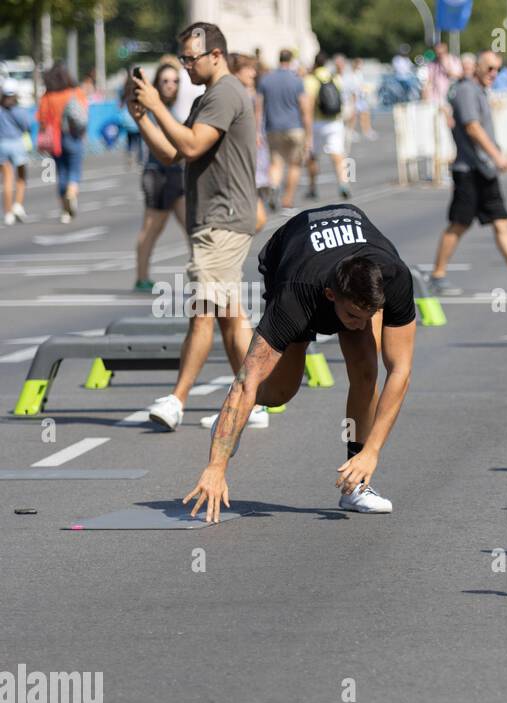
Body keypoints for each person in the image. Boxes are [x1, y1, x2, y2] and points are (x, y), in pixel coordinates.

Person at [182, 204, 417, 522]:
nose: (361, 325)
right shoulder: (294, 296)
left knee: (366, 367)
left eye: (368, 316)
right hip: (291, 253)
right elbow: (246, 380)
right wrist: (216, 466)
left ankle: (356, 487)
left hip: (348, 244)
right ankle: (227, 424)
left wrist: (371, 451)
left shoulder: (395, 277)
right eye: (352, 315)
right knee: (279, 392)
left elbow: (400, 371)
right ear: (333, 296)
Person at [130, 21, 263, 433]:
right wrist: (143, 119)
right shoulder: (210, 96)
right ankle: (253, 401)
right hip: (217, 218)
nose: (186, 64)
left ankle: (177, 399)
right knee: (228, 316)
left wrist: (156, 105)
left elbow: (190, 145)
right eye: (184, 57)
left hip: (222, 219)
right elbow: (173, 153)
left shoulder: (223, 94)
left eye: (191, 57)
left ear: (216, 55)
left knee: (202, 311)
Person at [426, 50, 507, 296]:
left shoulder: (478, 90)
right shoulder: (466, 91)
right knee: (459, 224)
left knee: (502, 220)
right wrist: (497, 156)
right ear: (477, 68)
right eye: (490, 68)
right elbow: (472, 127)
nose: (494, 74)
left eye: (497, 69)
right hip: (470, 170)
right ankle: (437, 275)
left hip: (484, 170)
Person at [133, 60, 187, 291]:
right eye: (165, 81)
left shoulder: (176, 108)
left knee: (193, 227)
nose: (170, 86)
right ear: (156, 84)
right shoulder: (153, 109)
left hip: (177, 173)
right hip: (157, 174)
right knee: (152, 228)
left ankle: (202, 278)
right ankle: (142, 277)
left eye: (175, 81)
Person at [36, 62, 88, 223]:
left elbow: (42, 119)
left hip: (55, 140)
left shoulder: (47, 96)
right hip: (73, 136)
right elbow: (84, 114)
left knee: (61, 173)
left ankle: (64, 211)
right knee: (74, 170)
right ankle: (71, 194)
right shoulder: (75, 92)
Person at [258, 49, 308, 210]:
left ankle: (273, 186)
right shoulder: (296, 80)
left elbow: (259, 108)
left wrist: (258, 131)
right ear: (291, 60)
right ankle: (288, 199)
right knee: (294, 164)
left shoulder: (266, 80)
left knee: (276, 163)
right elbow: (304, 108)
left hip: (273, 127)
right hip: (295, 127)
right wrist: (309, 133)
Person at [229, 53, 268, 233]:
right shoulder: (233, 95)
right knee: (256, 218)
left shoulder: (250, 92)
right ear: (236, 72)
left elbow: (257, 116)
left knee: (256, 219)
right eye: (249, 69)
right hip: (238, 161)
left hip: (251, 156)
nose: (253, 73)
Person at [303, 52, 350, 201]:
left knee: (313, 157)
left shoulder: (310, 80)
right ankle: (343, 184)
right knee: (338, 155)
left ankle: (312, 187)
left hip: (318, 122)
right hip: (335, 121)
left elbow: (309, 105)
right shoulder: (334, 77)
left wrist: (307, 129)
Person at [1, 79, 31, 225]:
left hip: (1, 145)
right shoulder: (18, 110)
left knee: (7, 179)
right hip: (16, 143)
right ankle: (18, 205)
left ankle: (7, 213)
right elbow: (26, 126)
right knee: (21, 176)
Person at [345, 57, 376, 141]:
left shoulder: (359, 74)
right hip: (354, 98)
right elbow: (352, 89)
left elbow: (360, 86)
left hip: (361, 98)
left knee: (365, 114)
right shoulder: (351, 75)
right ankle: (349, 131)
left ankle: (367, 130)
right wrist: (353, 102)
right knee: (353, 117)